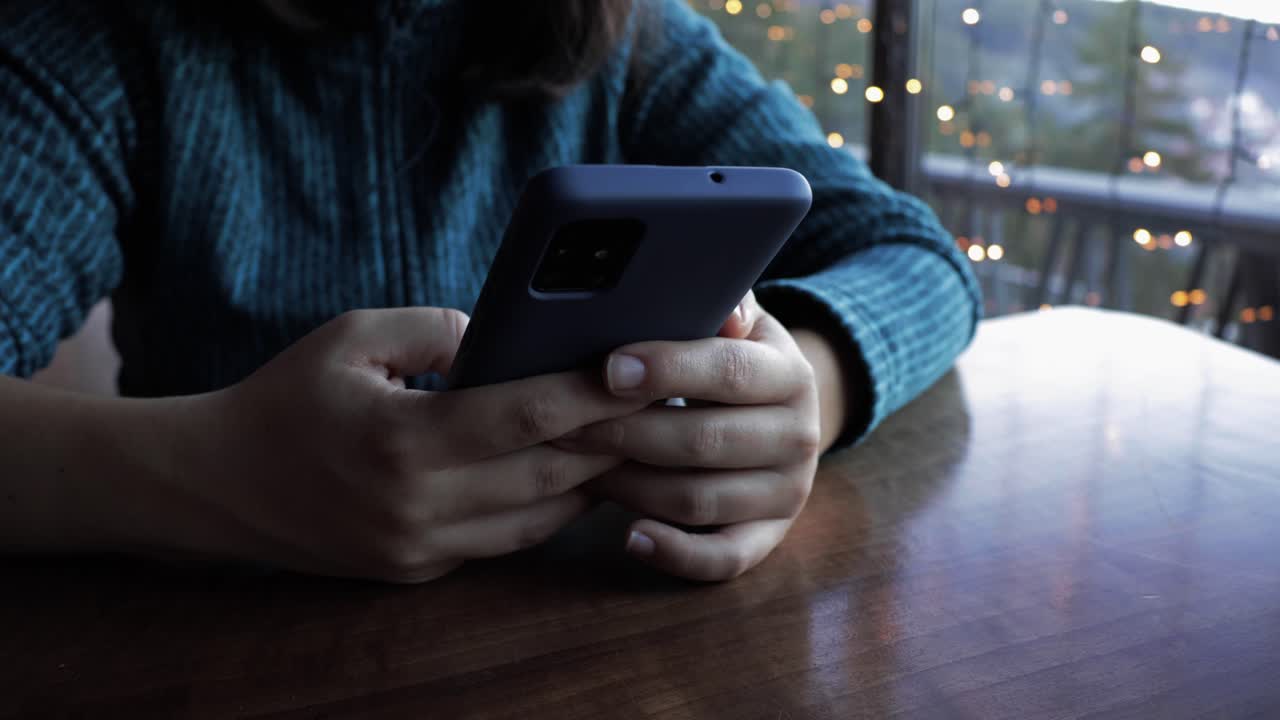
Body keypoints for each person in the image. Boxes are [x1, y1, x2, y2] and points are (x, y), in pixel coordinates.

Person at [0, 0, 979, 583]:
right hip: (219, 660)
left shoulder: (630, 37)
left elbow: (915, 256)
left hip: (588, 643)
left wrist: (799, 388)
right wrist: (215, 477)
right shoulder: (94, 40)